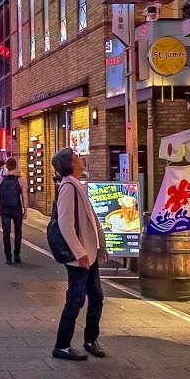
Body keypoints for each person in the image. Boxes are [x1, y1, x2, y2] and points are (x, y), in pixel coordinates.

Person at [50, 148, 108, 362]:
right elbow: (65, 224)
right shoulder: (68, 187)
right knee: (76, 299)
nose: (80, 159)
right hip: (80, 257)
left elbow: (91, 219)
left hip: (87, 254)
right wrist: (79, 251)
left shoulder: (76, 185)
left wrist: (101, 245)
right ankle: (62, 345)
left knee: (96, 297)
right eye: (76, 156)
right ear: (71, 164)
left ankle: (91, 340)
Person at [0, 158, 28, 264]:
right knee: (18, 232)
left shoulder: (0, 180)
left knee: (6, 233)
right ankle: (17, 254)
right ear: (16, 166)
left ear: (7, 166)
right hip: (16, 208)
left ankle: (8, 256)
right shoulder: (21, 180)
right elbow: (24, 196)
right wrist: (25, 209)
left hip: (5, 209)